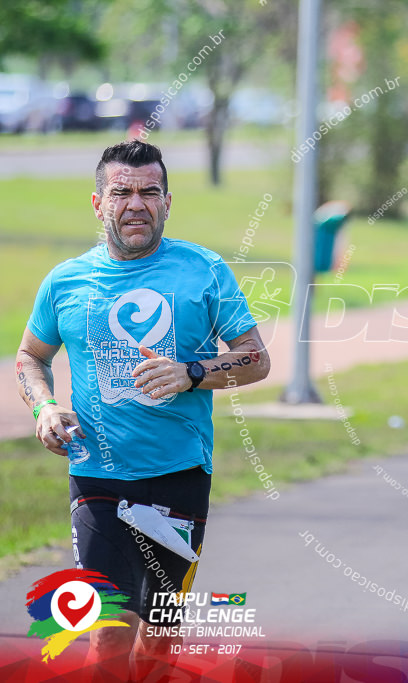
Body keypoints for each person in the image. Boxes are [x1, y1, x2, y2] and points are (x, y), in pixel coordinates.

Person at [14, 140, 271, 677]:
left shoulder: (204, 271)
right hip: (96, 478)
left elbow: (255, 360)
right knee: (109, 633)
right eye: (121, 192)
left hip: (178, 476)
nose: (136, 204)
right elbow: (31, 357)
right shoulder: (65, 281)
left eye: (149, 192)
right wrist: (44, 407)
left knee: (160, 637)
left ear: (168, 202)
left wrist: (193, 373)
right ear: (97, 203)